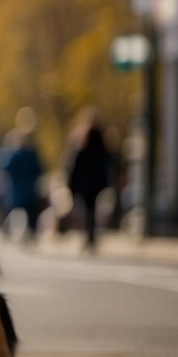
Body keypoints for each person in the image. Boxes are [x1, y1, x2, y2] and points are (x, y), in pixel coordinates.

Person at [67, 107, 114, 251]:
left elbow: (76, 162)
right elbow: (108, 160)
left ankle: (89, 237)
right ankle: (92, 237)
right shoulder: (103, 139)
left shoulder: (82, 138)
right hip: (97, 180)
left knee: (87, 209)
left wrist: (71, 183)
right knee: (92, 209)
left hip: (84, 181)